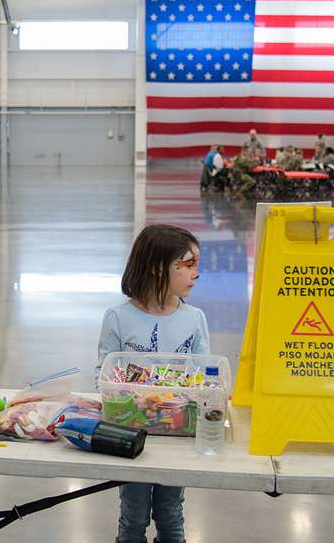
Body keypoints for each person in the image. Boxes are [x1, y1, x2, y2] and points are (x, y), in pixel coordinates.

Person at [98, 225, 209, 543]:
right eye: (187, 265)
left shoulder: (195, 319)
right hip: (131, 433)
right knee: (132, 516)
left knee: (171, 515)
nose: (196, 274)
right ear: (156, 268)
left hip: (177, 435)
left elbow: (204, 376)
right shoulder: (118, 318)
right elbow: (104, 374)